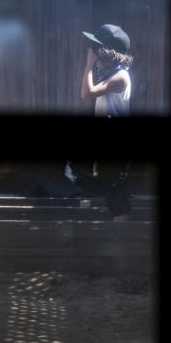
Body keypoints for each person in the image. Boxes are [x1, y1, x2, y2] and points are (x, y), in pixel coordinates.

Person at [68, 23, 136, 220]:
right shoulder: (113, 74)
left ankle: (123, 238)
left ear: (108, 53)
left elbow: (86, 93)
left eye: (98, 52)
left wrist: (89, 64)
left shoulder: (120, 77)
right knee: (112, 192)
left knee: (116, 196)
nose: (95, 56)